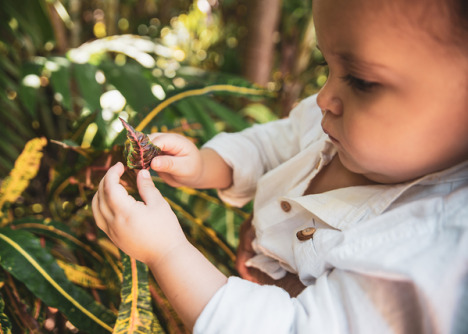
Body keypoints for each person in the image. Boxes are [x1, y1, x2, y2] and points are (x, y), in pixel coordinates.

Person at [92, 0, 468, 332]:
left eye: (361, 81)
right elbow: (274, 144)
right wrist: (206, 164)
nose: (323, 98)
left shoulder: (427, 254)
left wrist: (167, 252)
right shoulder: (335, 125)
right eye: (327, 66)